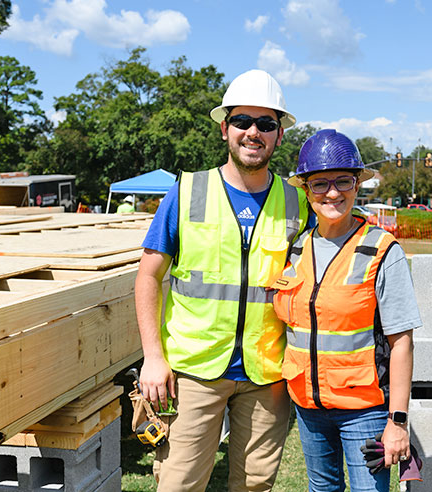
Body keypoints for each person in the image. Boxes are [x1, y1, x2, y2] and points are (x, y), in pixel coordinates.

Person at [134, 69, 311, 491]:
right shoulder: (188, 191)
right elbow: (147, 276)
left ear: (279, 135)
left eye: (266, 124)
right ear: (224, 128)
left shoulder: (296, 201)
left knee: (253, 486)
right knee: (178, 484)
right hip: (193, 371)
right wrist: (153, 358)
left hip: (265, 374)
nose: (254, 132)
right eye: (242, 122)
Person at [271, 129, 422, 492]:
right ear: (305, 190)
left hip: (364, 411)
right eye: (320, 183)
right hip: (308, 408)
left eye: (344, 181)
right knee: (322, 488)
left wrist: (397, 422)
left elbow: (402, 342)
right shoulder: (295, 247)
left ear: (358, 186)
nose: (333, 192)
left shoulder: (382, 250)